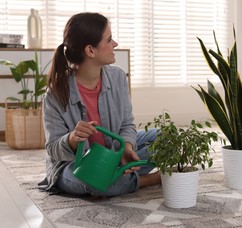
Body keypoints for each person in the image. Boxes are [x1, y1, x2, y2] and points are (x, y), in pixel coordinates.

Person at [40, 12, 161, 197]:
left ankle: (119, 173)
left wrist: (126, 147)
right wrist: (72, 138)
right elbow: (53, 150)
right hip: (75, 164)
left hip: (113, 150)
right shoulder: (55, 94)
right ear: (90, 51)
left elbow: (127, 125)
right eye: (109, 40)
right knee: (92, 182)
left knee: (169, 138)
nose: (115, 44)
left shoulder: (118, 77)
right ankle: (146, 179)